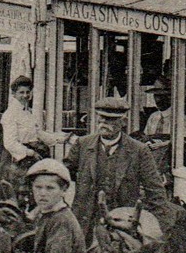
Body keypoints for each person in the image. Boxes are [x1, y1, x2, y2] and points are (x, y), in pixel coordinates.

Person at [68, 94, 174, 237]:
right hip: (85, 226)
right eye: (101, 117)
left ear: (123, 122)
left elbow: (155, 192)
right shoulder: (82, 145)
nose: (103, 123)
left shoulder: (138, 150)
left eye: (110, 119)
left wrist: (157, 229)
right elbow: (61, 178)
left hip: (122, 228)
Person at [0, 75, 68, 188]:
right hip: (17, 159)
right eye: (21, 92)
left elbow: (37, 133)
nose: (25, 95)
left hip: (31, 157)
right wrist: (31, 153)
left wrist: (58, 139)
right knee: (20, 191)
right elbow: (10, 143)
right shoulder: (10, 114)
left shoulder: (28, 112)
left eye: (28, 92)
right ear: (14, 94)